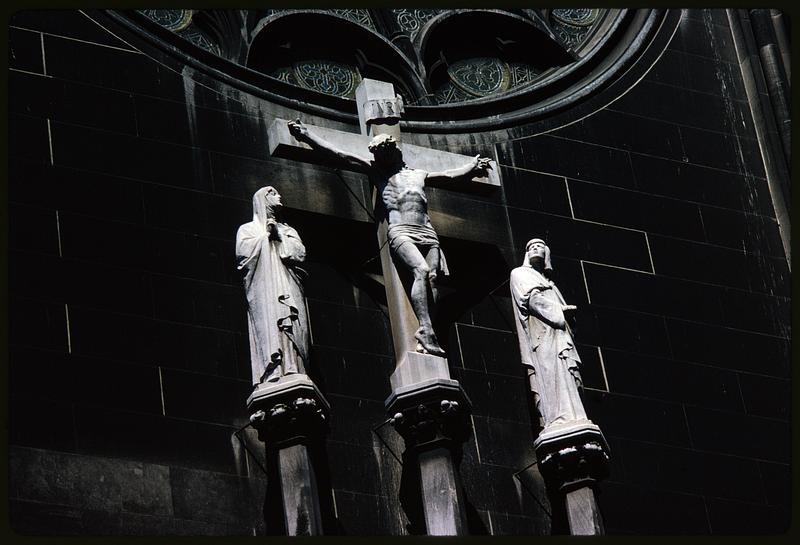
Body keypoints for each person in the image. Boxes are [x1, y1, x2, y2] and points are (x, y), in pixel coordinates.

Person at [288, 119, 491, 357]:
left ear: (395, 152)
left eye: (386, 152)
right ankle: (425, 329)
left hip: (426, 231)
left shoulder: (418, 174)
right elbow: (340, 154)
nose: (383, 157)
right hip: (401, 230)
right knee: (422, 271)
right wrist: (307, 135)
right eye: (380, 154)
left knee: (433, 279)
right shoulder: (377, 172)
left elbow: (448, 176)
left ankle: (429, 326)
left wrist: (472, 167)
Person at [510, 238, 586, 429]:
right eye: (531, 247)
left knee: (566, 372)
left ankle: (574, 415)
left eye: (540, 246)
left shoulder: (551, 284)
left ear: (547, 254)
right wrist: (561, 311)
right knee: (550, 372)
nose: (535, 248)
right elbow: (531, 300)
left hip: (560, 334)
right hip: (542, 335)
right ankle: (557, 417)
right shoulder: (519, 274)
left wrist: (568, 317)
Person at [236, 186, 309, 386]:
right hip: (265, 289)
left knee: (291, 323)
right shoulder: (248, 230)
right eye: (274, 194)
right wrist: (265, 237)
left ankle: (295, 367)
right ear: (263, 200)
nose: (279, 196)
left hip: (288, 284)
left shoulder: (288, 230)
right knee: (273, 321)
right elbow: (243, 257)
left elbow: (299, 254)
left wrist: (278, 235)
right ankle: (274, 369)